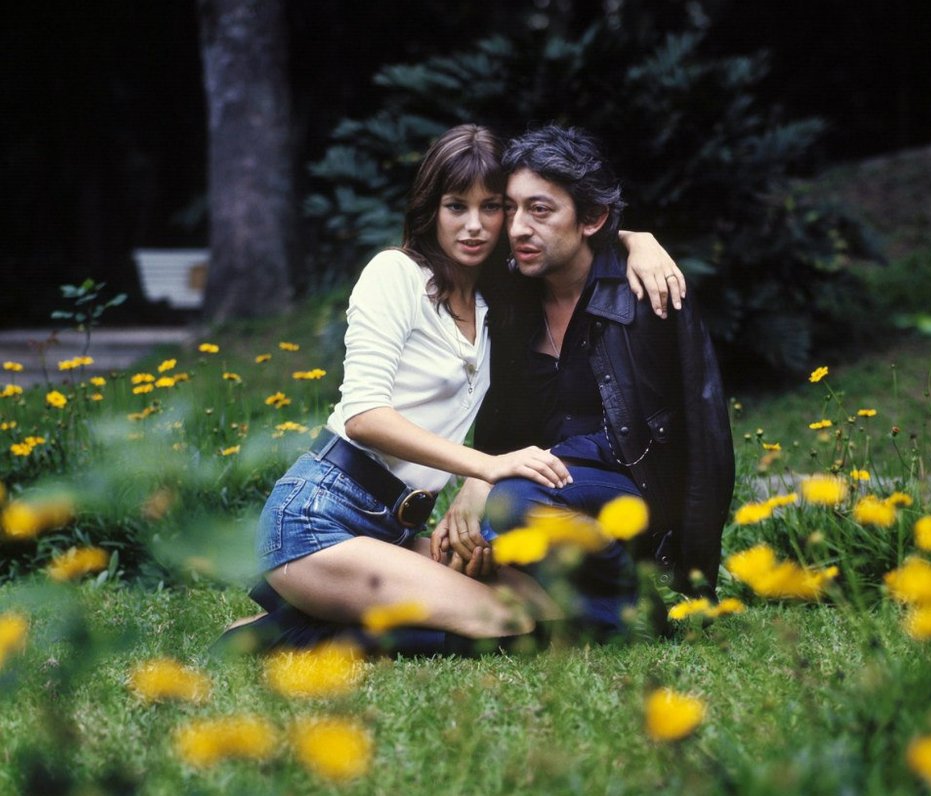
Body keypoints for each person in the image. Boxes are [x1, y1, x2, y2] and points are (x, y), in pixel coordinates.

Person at [218, 124, 685, 654]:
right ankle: (283, 634)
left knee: (545, 610)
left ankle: (320, 607)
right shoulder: (394, 274)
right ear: (429, 210)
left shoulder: (496, 303)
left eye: (492, 208)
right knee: (503, 621)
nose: (474, 226)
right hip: (318, 517)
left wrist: (636, 240)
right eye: (455, 206)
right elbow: (363, 415)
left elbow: (576, 235)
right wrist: (484, 467)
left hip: (391, 527)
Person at [432, 125, 734, 640]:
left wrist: (491, 477)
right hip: (539, 497)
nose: (519, 228)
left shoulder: (648, 295)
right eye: (512, 208)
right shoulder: (508, 297)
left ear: (591, 218)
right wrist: (482, 479)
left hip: (626, 497)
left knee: (513, 503)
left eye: (541, 210)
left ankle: (635, 609)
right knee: (455, 557)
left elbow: (703, 438)